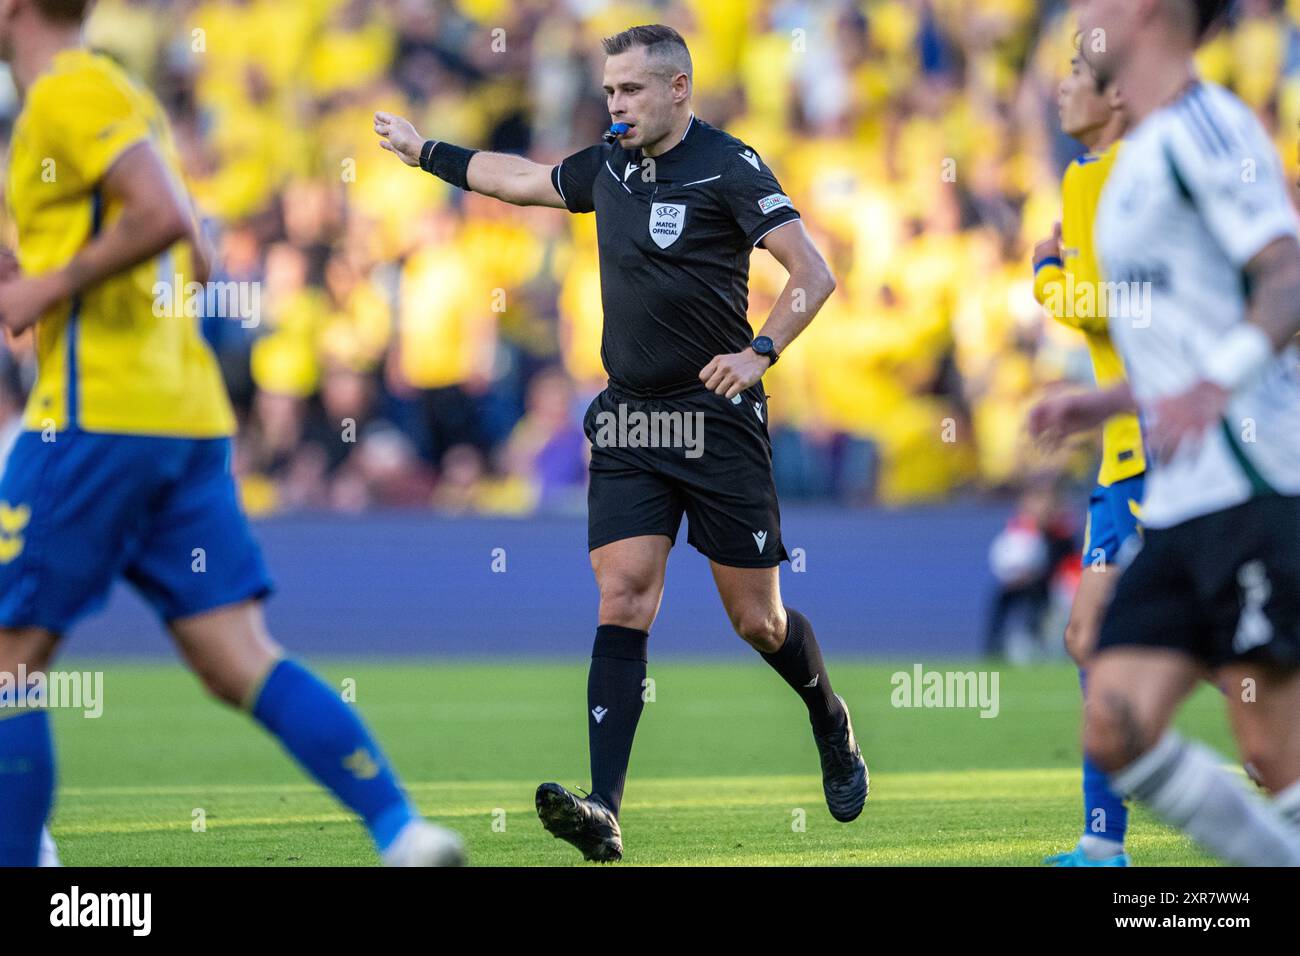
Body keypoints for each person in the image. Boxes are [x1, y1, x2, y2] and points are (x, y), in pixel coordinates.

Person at [375, 23, 867, 862]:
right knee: (624, 595)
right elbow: (524, 180)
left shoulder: (731, 165)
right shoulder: (607, 163)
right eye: (608, 91)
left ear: (678, 88)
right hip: (633, 419)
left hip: (715, 419)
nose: (615, 106)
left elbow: (812, 273)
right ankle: (604, 806)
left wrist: (759, 354)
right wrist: (429, 153)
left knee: (757, 620)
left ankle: (830, 717)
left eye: (631, 91)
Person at [0, 0, 461, 867]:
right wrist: (54, 270)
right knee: (235, 656)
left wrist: (47, 286)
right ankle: (403, 831)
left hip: (95, 417)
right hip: (184, 418)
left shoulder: (68, 91)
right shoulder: (121, 95)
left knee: (5, 661)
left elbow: (170, 222)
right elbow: (199, 251)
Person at [1033, 0, 1300, 865]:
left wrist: (1218, 385)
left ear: (1148, 11)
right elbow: (1187, 325)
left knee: (1273, 753)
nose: (1079, 16)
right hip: (1181, 496)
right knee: (1115, 717)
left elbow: (1288, 277)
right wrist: (1104, 403)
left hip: (1254, 483)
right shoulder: (1133, 156)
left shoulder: (1207, 126)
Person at [1028, 46, 1145, 866]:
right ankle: (1102, 843)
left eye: (1078, 72)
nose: (1061, 85)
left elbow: (1120, 307)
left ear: (1118, 94)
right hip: (1120, 450)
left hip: (1169, 444)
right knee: (1085, 637)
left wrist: (1043, 279)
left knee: (1104, 634)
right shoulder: (1083, 176)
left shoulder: (1143, 172)